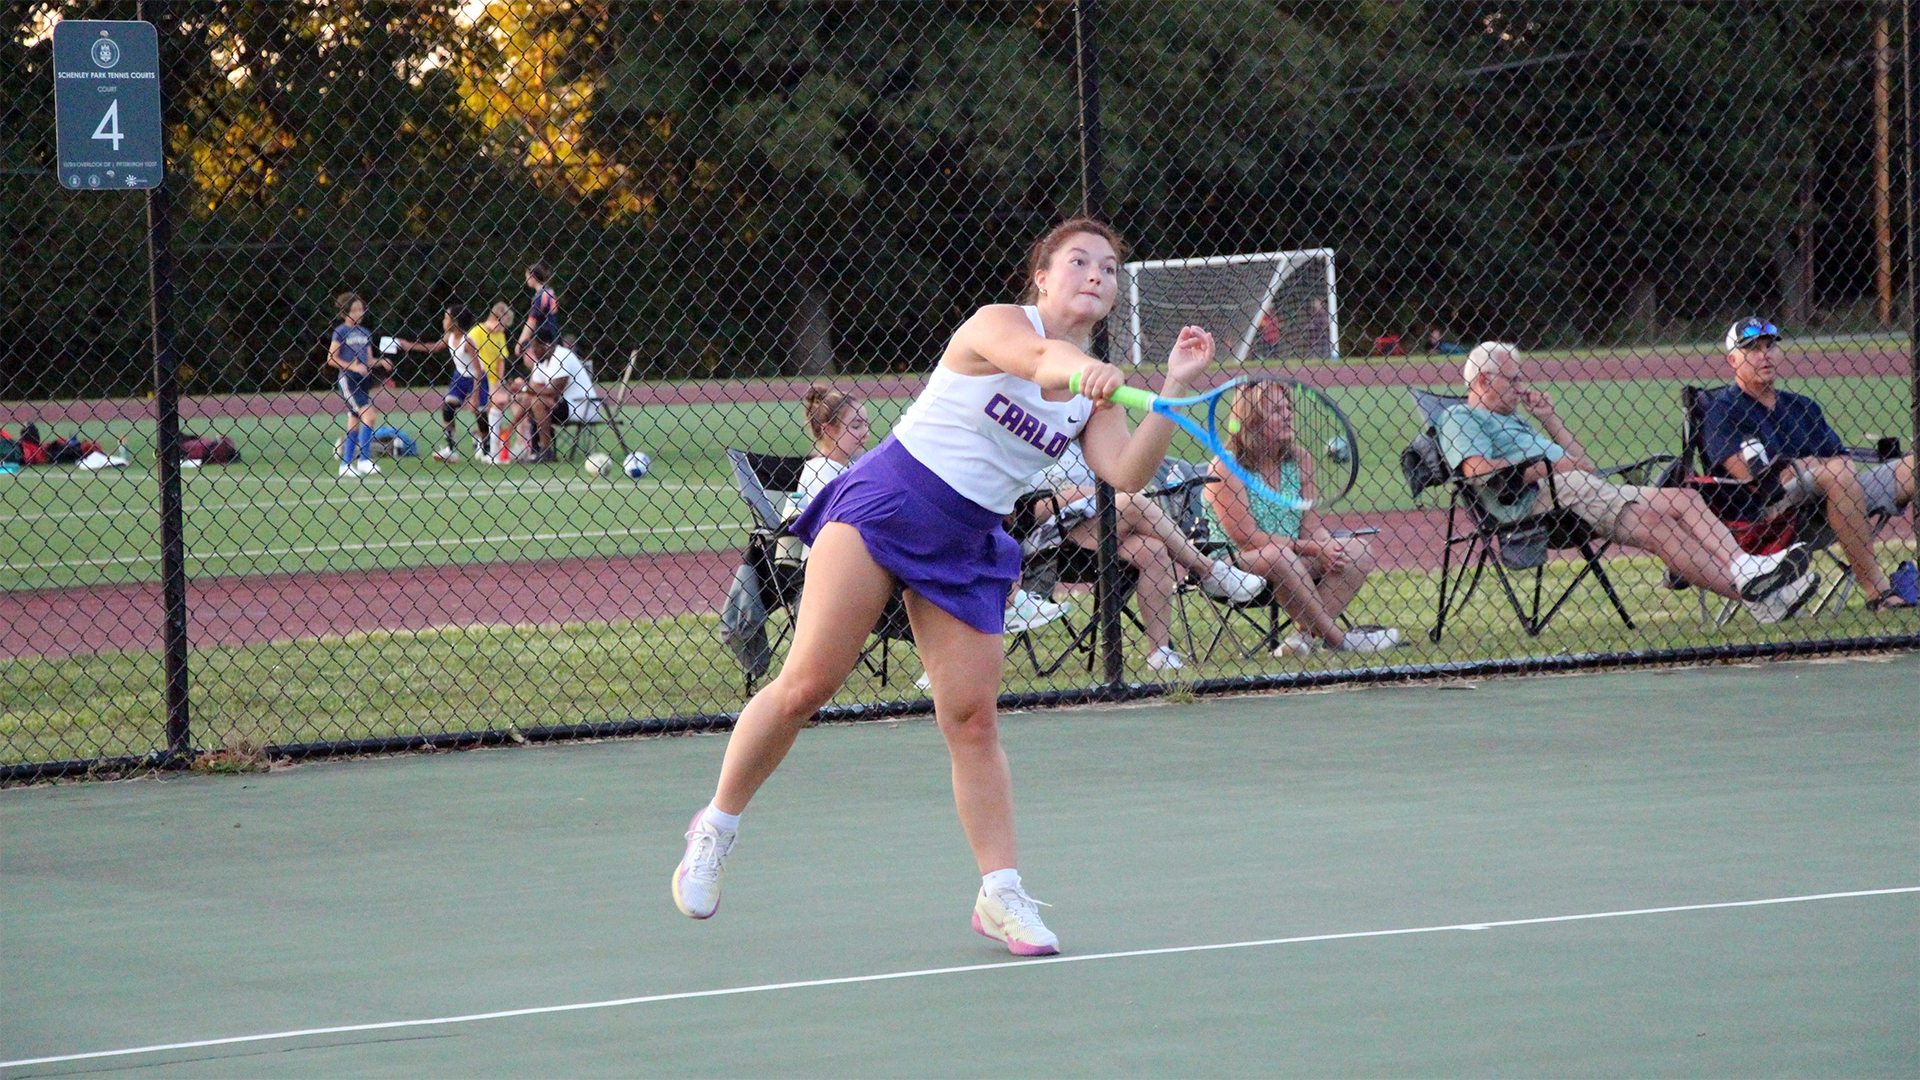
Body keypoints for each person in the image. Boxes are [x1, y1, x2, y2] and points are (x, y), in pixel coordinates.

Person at [670, 217, 1213, 956]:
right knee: (806, 685)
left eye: (1110, 269)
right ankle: (716, 826)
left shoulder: (1092, 396)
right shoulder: (998, 326)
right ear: (1042, 277)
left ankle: (1000, 894)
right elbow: (1036, 358)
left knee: (972, 720)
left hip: (969, 540)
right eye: (1078, 261)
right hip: (888, 503)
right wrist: (1079, 369)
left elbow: (1127, 473)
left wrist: (1174, 390)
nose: (1096, 274)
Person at [1439, 342, 1819, 624]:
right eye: (1513, 379)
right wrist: (1545, 468)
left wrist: (1550, 419)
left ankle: (1756, 590)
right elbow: (1477, 471)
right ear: (1485, 380)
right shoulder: (1461, 417)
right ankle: (1753, 578)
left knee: (1674, 515)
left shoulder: (1518, 421)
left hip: (1577, 493)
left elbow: (1584, 466)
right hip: (1532, 505)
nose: (1522, 388)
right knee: (1667, 509)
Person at [1701, 317, 1916, 611]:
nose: (1764, 354)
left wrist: (1805, 466)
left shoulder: (1802, 406)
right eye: (1752, 349)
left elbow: (1842, 460)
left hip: (1836, 500)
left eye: (1769, 346)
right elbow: (1753, 479)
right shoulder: (1722, 411)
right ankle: (1877, 592)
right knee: (1836, 474)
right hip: (1771, 514)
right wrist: (1815, 466)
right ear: (1733, 359)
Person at [1021, 441, 1266, 671]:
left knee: (1153, 550)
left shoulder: (1082, 441)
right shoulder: (1019, 445)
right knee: (1133, 503)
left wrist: (1091, 495)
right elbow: (1015, 515)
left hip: (1096, 524)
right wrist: (1063, 500)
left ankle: (1159, 652)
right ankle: (1208, 571)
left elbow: (1116, 479)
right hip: (1046, 540)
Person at [1202, 380, 1401, 656]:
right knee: (1280, 557)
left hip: (1292, 558)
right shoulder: (1226, 466)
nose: (1287, 415)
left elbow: (1311, 527)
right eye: (1275, 410)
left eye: (1288, 408)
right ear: (1252, 421)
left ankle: (1301, 641)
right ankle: (1340, 641)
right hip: (1234, 566)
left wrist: (1326, 547)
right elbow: (1246, 538)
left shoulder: (1301, 459)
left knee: (1358, 551)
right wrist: (1312, 548)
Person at [396, 306, 487, 463]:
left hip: (476, 379)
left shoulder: (467, 342)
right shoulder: (449, 336)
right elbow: (436, 347)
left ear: (455, 322)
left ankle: (487, 448)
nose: (443, 321)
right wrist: (409, 346)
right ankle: (451, 449)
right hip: (460, 376)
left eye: (446, 318)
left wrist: (474, 396)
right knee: (448, 407)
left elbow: (478, 372)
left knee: (480, 414)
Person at [497, 330, 598, 463]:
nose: (532, 352)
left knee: (538, 401)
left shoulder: (562, 356)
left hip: (582, 405)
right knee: (531, 399)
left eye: (534, 347)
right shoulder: (542, 362)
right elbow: (532, 392)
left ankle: (545, 450)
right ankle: (531, 446)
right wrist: (512, 425)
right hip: (561, 404)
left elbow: (555, 390)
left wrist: (524, 388)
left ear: (545, 345)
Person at [325, 292, 391, 478]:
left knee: (354, 421)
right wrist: (352, 366)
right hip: (349, 381)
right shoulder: (341, 332)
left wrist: (381, 362)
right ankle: (364, 460)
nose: (359, 313)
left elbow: (368, 360)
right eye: (354, 310)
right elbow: (332, 358)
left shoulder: (365, 332)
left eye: (361, 309)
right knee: (369, 416)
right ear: (345, 312)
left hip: (363, 382)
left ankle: (346, 464)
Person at [470, 302, 514, 460]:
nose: (502, 330)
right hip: (480, 378)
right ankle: (488, 446)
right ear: (493, 318)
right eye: (501, 325)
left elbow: (501, 360)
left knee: (500, 405)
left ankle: (493, 448)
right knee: (487, 409)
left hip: (493, 380)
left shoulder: (499, 335)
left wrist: (499, 381)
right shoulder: (476, 333)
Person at [516, 263, 558, 354]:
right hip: (553, 331)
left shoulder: (539, 296)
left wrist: (521, 342)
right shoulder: (549, 290)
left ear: (533, 277)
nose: (526, 280)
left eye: (527, 277)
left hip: (543, 334)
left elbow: (532, 320)